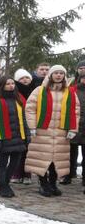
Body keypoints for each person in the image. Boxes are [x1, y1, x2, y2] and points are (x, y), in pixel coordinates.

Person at [24, 65, 80, 197]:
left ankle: (53, 183)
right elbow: (30, 109)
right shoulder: (39, 90)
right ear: (50, 75)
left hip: (61, 133)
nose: (59, 75)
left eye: (61, 73)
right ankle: (43, 184)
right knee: (42, 159)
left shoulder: (70, 92)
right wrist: (32, 126)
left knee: (56, 161)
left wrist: (73, 129)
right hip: (42, 131)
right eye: (56, 73)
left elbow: (75, 112)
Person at [0, 76, 30, 198]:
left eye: (12, 83)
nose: (11, 85)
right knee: (3, 162)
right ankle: (3, 186)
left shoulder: (18, 99)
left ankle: (5, 183)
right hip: (4, 136)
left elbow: (23, 119)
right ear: (2, 86)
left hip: (18, 136)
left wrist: (26, 136)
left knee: (15, 163)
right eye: (8, 84)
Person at [61, 58, 85, 185]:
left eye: (84, 68)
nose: (82, 70)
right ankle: (69, 174)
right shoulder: (70, 84)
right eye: (80, 68)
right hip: (74, 123)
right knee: (70, 152)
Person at [12, 68, 35, 184]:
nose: (25, 80)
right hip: (18, 123)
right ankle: (16, 174)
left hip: (31, 124)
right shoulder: (14, 91)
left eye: (27, 77)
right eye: (22, 78)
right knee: (19, 150)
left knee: (29, 151)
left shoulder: (34, 90)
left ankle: (27, 175)